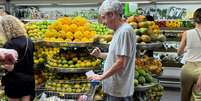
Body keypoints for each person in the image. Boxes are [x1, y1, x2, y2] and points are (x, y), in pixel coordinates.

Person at [89, 0, 136, 101]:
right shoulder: (118, 31)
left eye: (103, 17)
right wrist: (100, 55)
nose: (103, 22)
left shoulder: (125, 31)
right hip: (115, 87)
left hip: (119, 90)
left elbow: (121, 63)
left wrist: (101, 77)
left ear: (111, 14)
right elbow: (115, 56)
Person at [0, 15, 35, 101]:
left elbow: (9, 67)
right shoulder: (29, 41)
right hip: (28, 80)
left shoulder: (9, 44)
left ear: (5, 29)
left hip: (14, 81)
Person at [178, 8, 201, 101]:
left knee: (185, 96)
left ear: (194, 19)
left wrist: (186, 49)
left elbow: (179, 52)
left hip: (187, 68)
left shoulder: (187, 33)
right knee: (198, 97)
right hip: (200, 70)